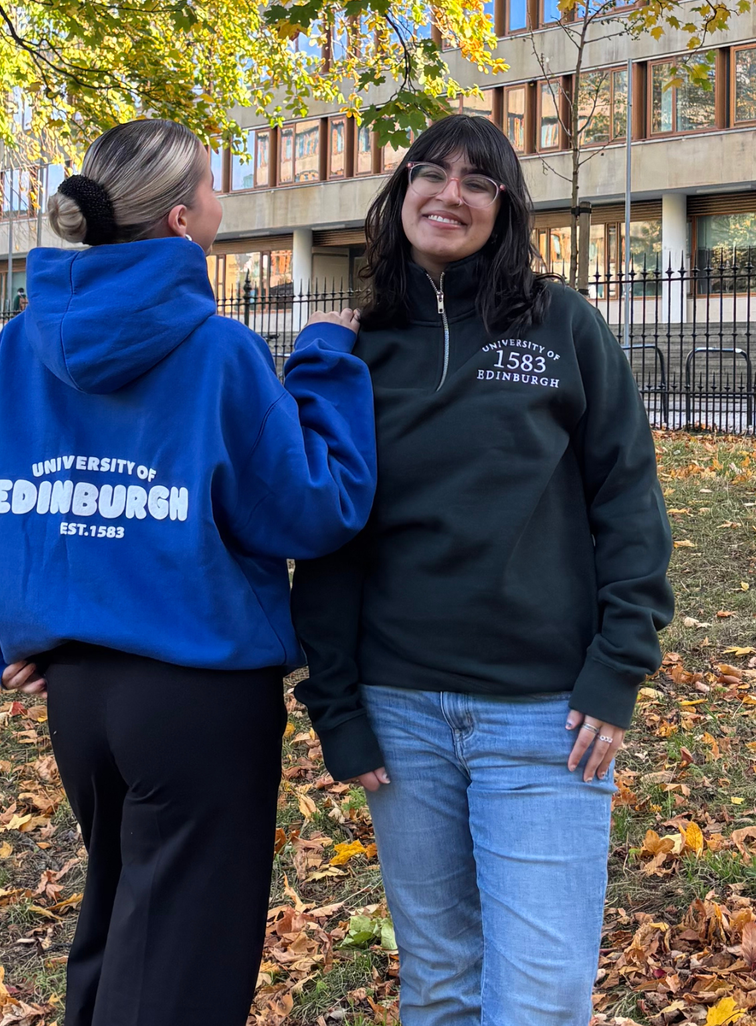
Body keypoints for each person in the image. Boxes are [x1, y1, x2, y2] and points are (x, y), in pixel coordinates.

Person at [0, 118, 376, 1026]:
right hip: (199, 694)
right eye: (211, 184)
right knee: (183, 962)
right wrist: (324, 359)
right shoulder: (217, 351)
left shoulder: (21, 346)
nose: (220, 200)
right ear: (179, 218)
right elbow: (317, 507)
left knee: (121, 926)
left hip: (81, 702)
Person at [292, 113, 674, 1026]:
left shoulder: (561, 324)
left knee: (540, 997)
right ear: (402, 190)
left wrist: (618, 664)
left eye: (478, 181)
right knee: (439, 984)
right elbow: (328, 535)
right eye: (433, 172)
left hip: (545, 716)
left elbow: (627, 497)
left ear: (504, 209)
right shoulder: (360, 348)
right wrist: (337, 708)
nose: (450, 194)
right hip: (401, 714)